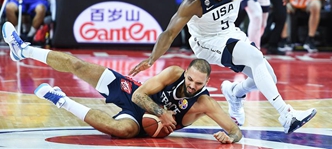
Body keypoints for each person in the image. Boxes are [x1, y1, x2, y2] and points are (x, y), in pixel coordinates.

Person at [129, 0, 332, 133]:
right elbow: (169, 33)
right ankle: (286, 114)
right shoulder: (193, 2)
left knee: (269, 77)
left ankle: (235, 92)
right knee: (256, 58)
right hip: (206, 43)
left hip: (230, 33)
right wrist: (151, 59)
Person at [2, 21, 242, 143]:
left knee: (120, 131)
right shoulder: (173, 73)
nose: (192, 85)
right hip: (136, 95)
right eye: (190, 79)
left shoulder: (205, 103)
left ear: (207, 82)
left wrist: (229, 137)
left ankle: (62, 101)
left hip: (142, 122)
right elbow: (138, 96)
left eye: (198, 84)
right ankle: (23, 50)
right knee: (79, 65)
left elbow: (235, 131)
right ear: (186, 72)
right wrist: (161, 111)